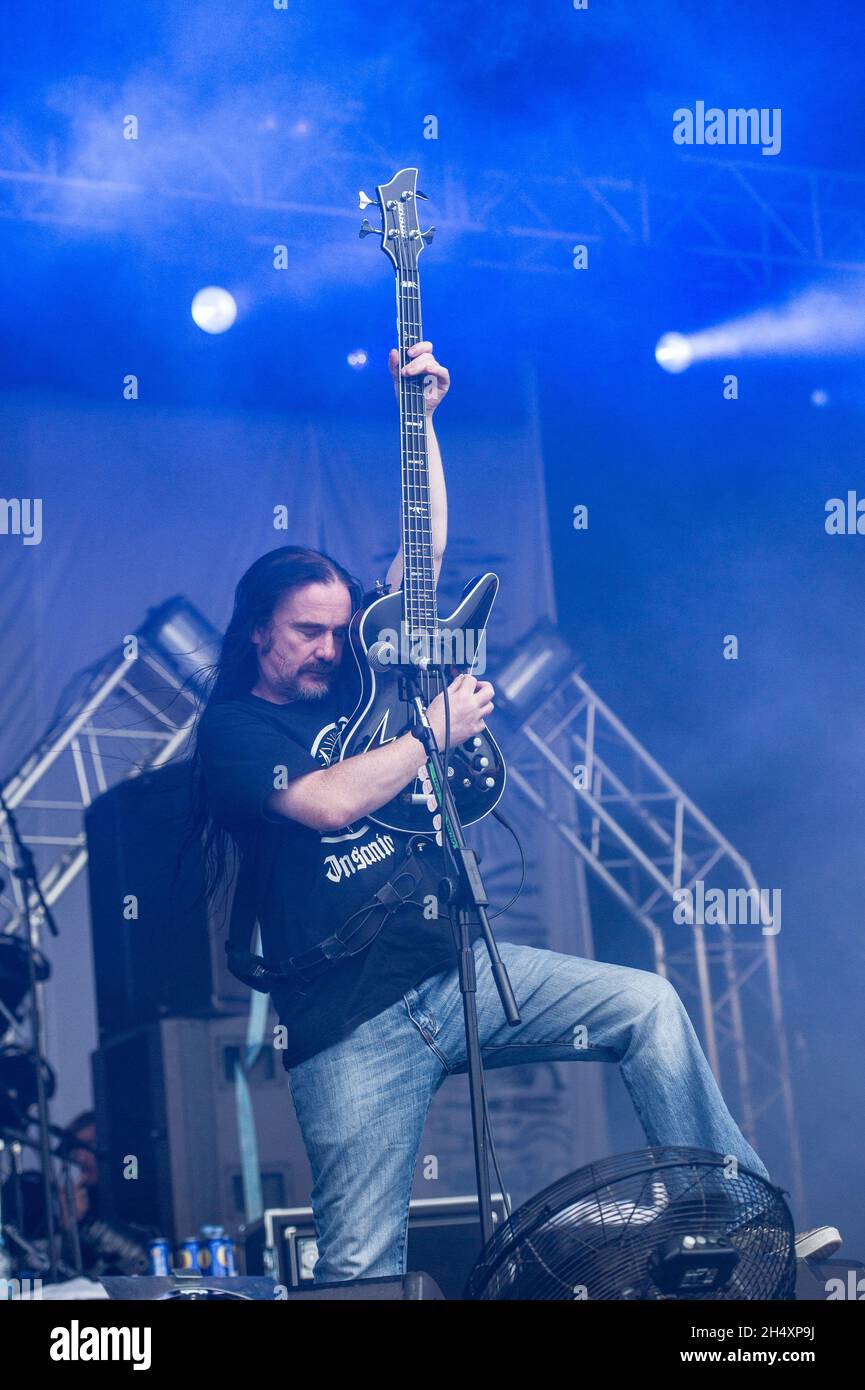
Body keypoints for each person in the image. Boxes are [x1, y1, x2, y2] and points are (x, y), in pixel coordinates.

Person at [194, 341, 840, 1285]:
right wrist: (433, 733)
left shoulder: (362, 672)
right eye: (307, 632)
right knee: (359, 1271)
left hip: (453, 974)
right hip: (350, 1019)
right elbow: (327, 805)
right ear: (258, 628)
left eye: (340, 630)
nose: (331, 649)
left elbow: (426, 561)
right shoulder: (237, 731)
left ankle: (727, 1219)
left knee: (649, 1004)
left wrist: (421, 421)